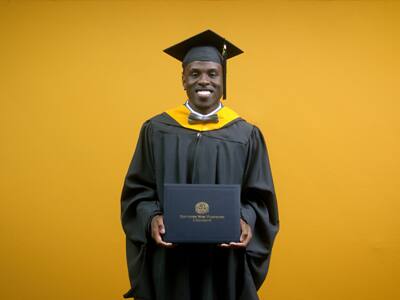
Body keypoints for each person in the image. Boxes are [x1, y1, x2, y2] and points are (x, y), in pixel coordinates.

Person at [121, 30, 279, 300]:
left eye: (212, 74)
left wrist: (245, 219)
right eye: (194, 73)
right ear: (183, 78)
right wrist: (151, 218)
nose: (203, 80)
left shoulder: (245, 134)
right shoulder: (156, 130)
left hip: (224, 263)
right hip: (170, 262)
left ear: (223, 79)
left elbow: (261, 200)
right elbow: (137, 192)